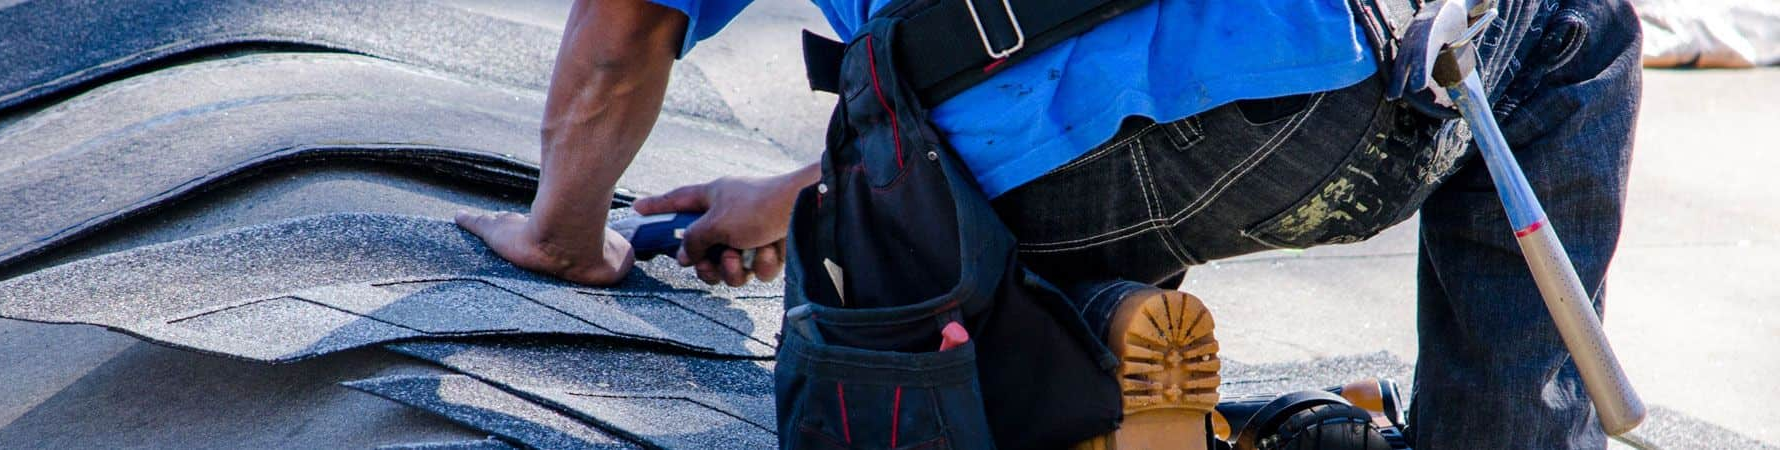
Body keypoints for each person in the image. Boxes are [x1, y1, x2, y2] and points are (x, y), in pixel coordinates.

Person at [455, 0, 1642, 447]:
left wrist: (564, 239)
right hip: (1413, 75)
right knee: (1582, 30)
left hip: (1114, 144)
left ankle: (1090, 347)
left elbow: (620, 42)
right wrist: (792, 192)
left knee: (905, 245)